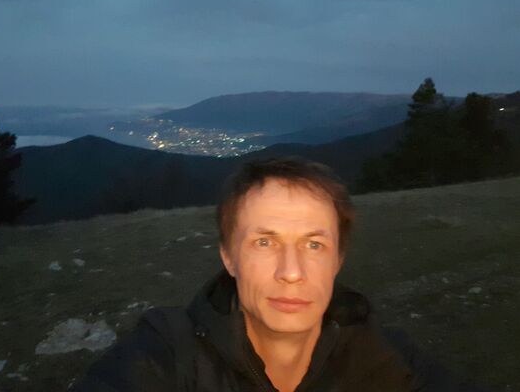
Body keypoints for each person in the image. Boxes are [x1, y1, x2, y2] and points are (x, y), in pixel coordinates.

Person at [71, 156, 490, 392]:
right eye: (264, 242)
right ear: (228, 258)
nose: (291, 272)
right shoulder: (169, 350)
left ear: (338, 260)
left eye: (314, 244)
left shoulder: (384, 355)